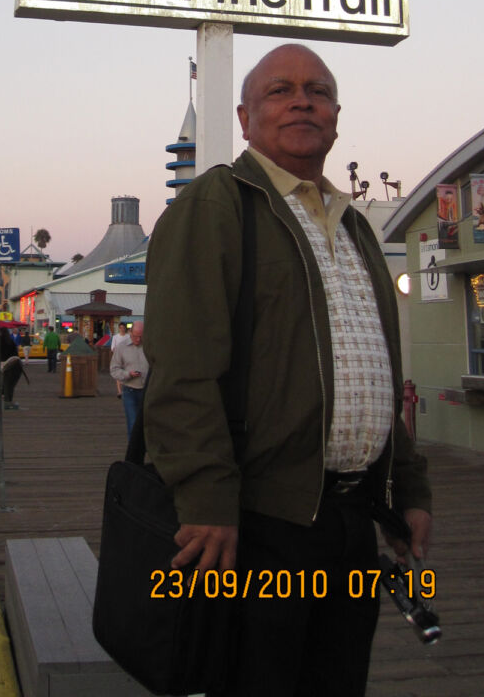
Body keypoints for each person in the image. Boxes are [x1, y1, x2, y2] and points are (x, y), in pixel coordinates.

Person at [143, 44, 433, 697]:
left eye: (318, 91)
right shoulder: (220, 203)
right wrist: (207, 499)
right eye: (280, 91)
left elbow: (373, 373)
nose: (302, 101)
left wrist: (409, 490)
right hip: (257, 523)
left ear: (336, 117)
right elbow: (182, 370)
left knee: (337, 681)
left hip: (351, 523)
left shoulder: (354, 226)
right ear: (245, 119)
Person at [109, 320, 147, 436]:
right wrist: (128, 374)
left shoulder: (150, 347)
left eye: (141, 337)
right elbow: (114, 370)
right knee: (133, 423)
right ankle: (133, 447)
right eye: (135, 336)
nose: (138, 340)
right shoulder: (121, 348)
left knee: (148, 425)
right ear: (130, 332)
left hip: (148, 391)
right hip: (130, 390)